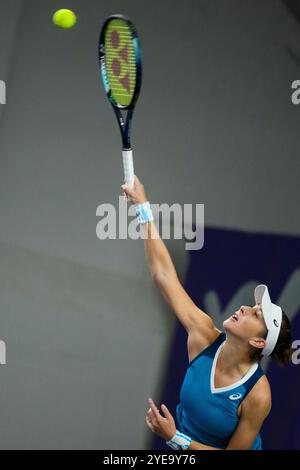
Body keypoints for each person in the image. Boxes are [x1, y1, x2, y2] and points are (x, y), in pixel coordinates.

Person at [121, 176, 294, 451]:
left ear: (259, 342)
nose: (245, 308)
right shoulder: (202, 334)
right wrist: (143, 207)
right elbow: (164, 275)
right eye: (253, 305)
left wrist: (176, 438)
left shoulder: (258, 394)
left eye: (256, 314)